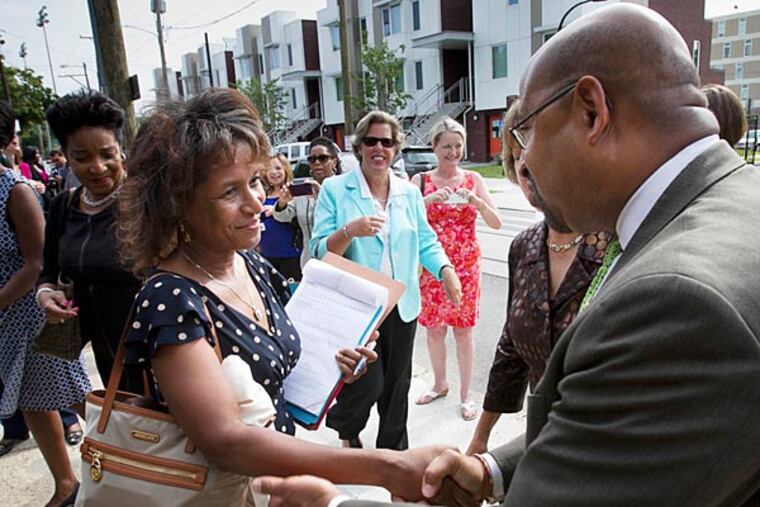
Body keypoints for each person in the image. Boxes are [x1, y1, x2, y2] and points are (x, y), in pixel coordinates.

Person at [255, 4, 760, 506]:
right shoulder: (731, 201)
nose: (526, 160)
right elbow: (621, 430)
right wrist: (494, 470)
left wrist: (335, 504)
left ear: (591, 110)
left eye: (528, 132)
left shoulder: (674, 299)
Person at [116, 88, 448, 503]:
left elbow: (277, 376)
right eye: (229, 192)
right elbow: (226, 441)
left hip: (277, 489)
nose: (257, 202)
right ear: (176, 206)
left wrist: (335, 366)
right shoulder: (170, 299)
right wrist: (387, 467)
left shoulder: (250, 264)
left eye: (254, 180)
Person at [311, 110, 462, 451]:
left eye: (387, 142)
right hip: (358, 304)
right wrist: (351, 230)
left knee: (397, 385)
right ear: (359, 147)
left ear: (396, 149)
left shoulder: (408, 193)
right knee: (367, 383)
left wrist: (445, 270)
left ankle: (394, 454)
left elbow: (425, 240)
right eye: (371, 141)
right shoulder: (336, 190)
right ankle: (346, 426)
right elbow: (319, 250)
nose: (379, 148)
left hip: (402, 304)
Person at [466, 100, 609, 454]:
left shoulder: (617, 242)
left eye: (538, 150)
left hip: (609, 446)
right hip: (546, 437)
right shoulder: (524, 246)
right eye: (517, 156)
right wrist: (480, 440)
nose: (527, 164)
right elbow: (511, 351)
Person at [0, 100, 90, 507]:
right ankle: (66, 484)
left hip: (32, 315)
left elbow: (37, 262)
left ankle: (141, 458)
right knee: (29, 402)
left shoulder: (14, 190)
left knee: (73, 394)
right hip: (5, 321)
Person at [37, 90, 142, 392]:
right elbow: (48, 270)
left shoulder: (147, 203)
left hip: (158, 349)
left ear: (121, 150)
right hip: (106, 357)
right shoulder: (64, 206)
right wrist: (46, 295)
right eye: (82, 157)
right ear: (67, 157)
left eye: (107, 154)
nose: (97, 166)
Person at [410, 117, 502, 421]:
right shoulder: (420, 181)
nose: (453, 152)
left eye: (457, 146)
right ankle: (439, 383)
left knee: (464, 331)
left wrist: (476, 201)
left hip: (466, 265)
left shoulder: (474, 179)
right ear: (434, 147)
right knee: (434, 330)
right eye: (446, 146)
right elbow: (404, 220)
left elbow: (496, 222)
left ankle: (465, 394)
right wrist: (429, 199)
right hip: (433, 266)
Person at [273, 137, 342, 269]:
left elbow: (343, 220)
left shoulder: (342, 187)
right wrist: (282, 202)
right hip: (309, 261)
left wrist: (321, 195)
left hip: (336, 261)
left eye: (323, 158)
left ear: (334, 161)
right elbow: (282, 216)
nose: (317, 163)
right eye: (312, 159)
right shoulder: (305, 187)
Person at [259, 153, 302, 280]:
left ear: (286, 170)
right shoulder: (263, 194)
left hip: (291, 256)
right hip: (267, 256)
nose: (274, 172)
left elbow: (298, 218)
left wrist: (276, 210)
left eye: (278, 168)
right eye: (269, 169)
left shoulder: (293, 193)